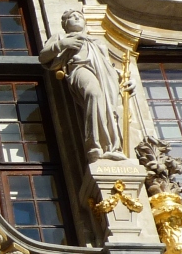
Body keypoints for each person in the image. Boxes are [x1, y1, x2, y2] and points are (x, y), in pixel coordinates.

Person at [39, 9, 129, 161]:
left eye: (79, 16)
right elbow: (43, 57)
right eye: (71, 17)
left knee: (109, 108)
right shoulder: (61, 37)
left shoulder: (97, 41)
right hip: (79, 68)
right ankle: (93, 144)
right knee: (93, 93)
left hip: (104, 75)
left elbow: (108, 65)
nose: (76, 18)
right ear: (65, 24)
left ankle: (110, 147)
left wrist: (124, 80)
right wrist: (62, 44)